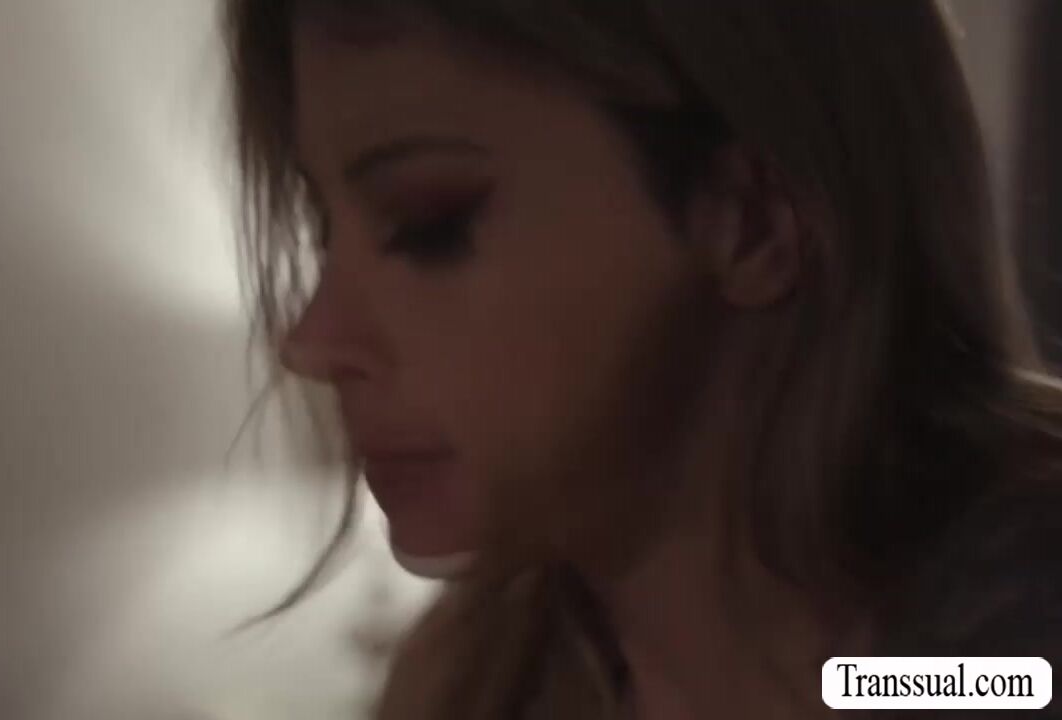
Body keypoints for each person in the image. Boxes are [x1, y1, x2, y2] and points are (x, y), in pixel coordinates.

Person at [222, 1, 1062, 717]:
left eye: (428, 223)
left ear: (752, 220)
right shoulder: (471, 680)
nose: (313, 341)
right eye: (323, 228)